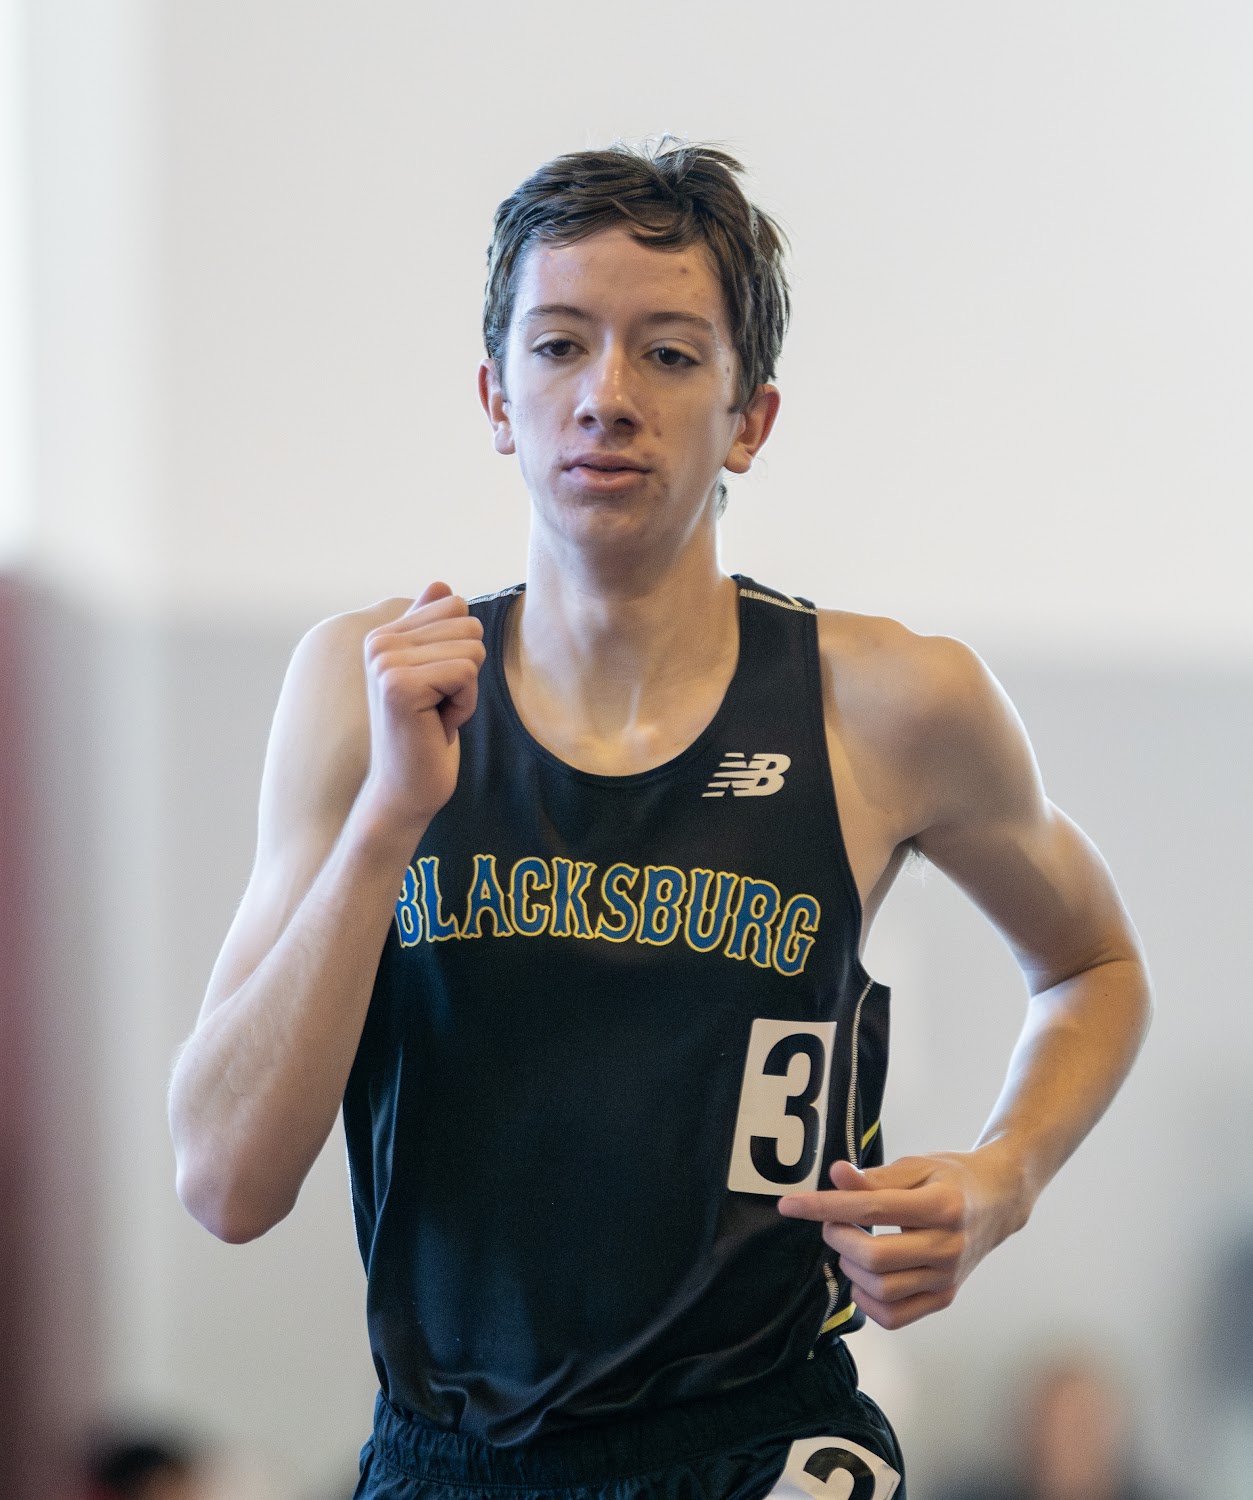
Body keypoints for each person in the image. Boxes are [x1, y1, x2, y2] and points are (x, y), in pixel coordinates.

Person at [167, 140, 1152, 1500]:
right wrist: (391, 818)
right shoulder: (364, 693)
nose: (607, 397)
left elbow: (1095, 965)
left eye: (670, 354)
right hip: (451, 1456)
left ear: (750, 418)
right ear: (496, 398)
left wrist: (1002, 1180)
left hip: (759, 1440)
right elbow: (225, 1183)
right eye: (559, 346)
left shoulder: (889, 702)